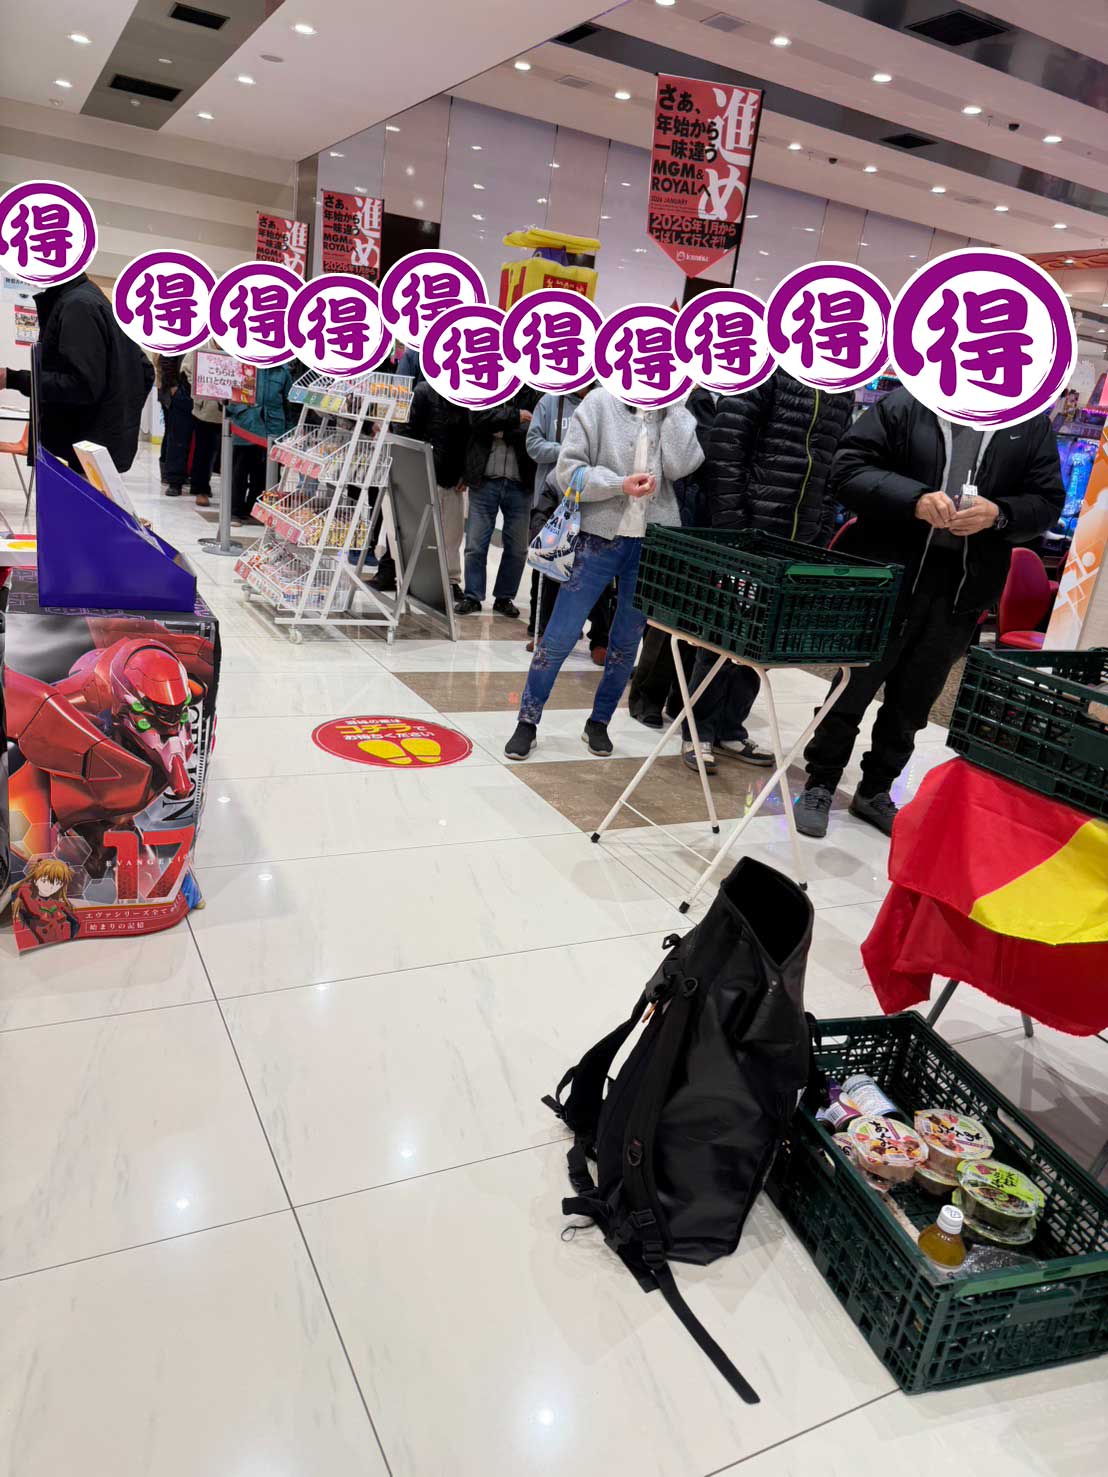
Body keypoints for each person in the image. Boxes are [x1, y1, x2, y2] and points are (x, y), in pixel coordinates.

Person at [794, 387, 1065, 839]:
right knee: (852, 686)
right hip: (887, 575)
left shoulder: (1027, 423)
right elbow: (847, 469)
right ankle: (820, 782)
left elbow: (1047, 502)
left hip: (962, 586)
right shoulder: (908, 403)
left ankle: (876, 790)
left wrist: (1000, 513)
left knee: (915, 700)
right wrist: (915, 499)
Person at [504, 389, 704, 760]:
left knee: (627, 642)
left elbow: (684, 464)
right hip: (596, 539)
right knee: (559, 635)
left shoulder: (669, 409)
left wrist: (675, 405)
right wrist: (618, 484)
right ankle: (527, 721)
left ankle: (599, 722)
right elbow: (568, 472)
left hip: (651, 543)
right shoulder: (599, 404)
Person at [679, 369, 854, 776]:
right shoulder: (764, 369)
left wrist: (820, 530)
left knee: (763, 637)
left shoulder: (841, 389)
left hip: (797, 538)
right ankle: (698, 730)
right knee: (723, 631)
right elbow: (726, 450)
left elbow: (833, 468)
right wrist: (735, 525)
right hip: (747, 529)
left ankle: (730, 727)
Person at [1, 273, 154, 475]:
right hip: (97, 446)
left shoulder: (78, 306)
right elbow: (145, 370)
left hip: (84, 447)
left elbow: (81, 384)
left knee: (76, 495)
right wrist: (119, 416)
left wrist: (13, 378)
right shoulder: (91, 298)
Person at [628, 384, 717, 726]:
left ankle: (678, 697)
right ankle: (648, 695)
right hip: (681, 513)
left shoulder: (728, 397)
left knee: (695, 616)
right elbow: (686, 461)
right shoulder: (693, 397)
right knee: (668, 613)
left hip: (710, 517)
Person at [525, 385, 612, 662]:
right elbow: (546, 490)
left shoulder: (607, 408)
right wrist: (541, 528)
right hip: (561, 514)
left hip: (598, 517)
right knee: (550, 573)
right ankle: (544, 631)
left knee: (599, 581)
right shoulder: (551, 403)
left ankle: (601, 639)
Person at [455, 388, 537, 617]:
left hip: (521, 482)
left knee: (518, 548)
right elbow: (477, 419)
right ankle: (472, 596)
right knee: (475, 544)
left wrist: (499, 429)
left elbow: (535, 430)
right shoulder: (488, 383)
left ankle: (504, 597)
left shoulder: (535, 389)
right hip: (484, 478)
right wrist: (516, 416)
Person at [407, 379, 468, 601]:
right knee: (418, 531)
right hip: (423, 473)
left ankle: (451, 581)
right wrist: (414, 465)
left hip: (454, 478)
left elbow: (470, 437)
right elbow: (407, 430)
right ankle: (414, 578)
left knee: (452, 534)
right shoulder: (423, 391)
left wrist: (467, 472)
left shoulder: (466, 393)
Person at [225, 363, 293, 521]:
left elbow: (289, 404)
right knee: (239, 471)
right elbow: (228, 395)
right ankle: (235, 510)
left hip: (273, 428)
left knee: (265, 472)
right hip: (246, 425)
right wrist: (237, 411)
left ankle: (256, 509)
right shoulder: (242, 365)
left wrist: (289, 430)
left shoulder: (282, 372)